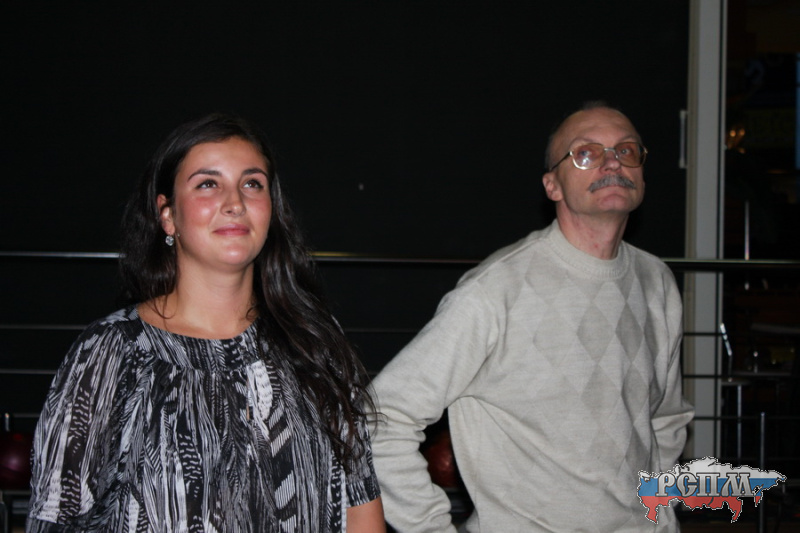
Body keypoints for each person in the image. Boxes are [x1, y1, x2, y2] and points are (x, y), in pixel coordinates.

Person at [26, 113, 385, 532]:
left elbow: (360, 503)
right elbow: (56, 518)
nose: (235, 202)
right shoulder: (109, 353)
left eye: (252, 184)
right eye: (208, 184)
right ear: (168, 215)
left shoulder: (313, 341)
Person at [371, 102, 694, 532]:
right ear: (552, 185)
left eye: (626, 150)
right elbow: (380, 418)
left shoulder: (657, 281)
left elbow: (666, 419)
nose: (612, 162)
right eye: (586, 153)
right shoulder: (496, 290)